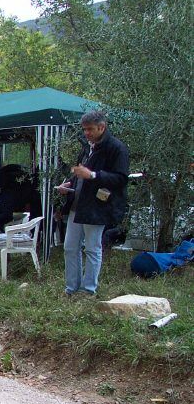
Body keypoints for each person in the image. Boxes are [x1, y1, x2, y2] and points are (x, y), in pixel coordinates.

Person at [55, 110, 129, 297]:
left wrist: (94, 175)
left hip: (96, 207)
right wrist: (69, 184)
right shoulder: (88, 147)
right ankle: (71, 288)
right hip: (77, 204)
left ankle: (88, 291)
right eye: (84, 129)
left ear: (101, 127)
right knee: (70, 247)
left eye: (89, 129)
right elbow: (80, 173)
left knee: (92, 248)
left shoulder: (116, 148)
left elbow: (121, 179)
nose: (86, 133)